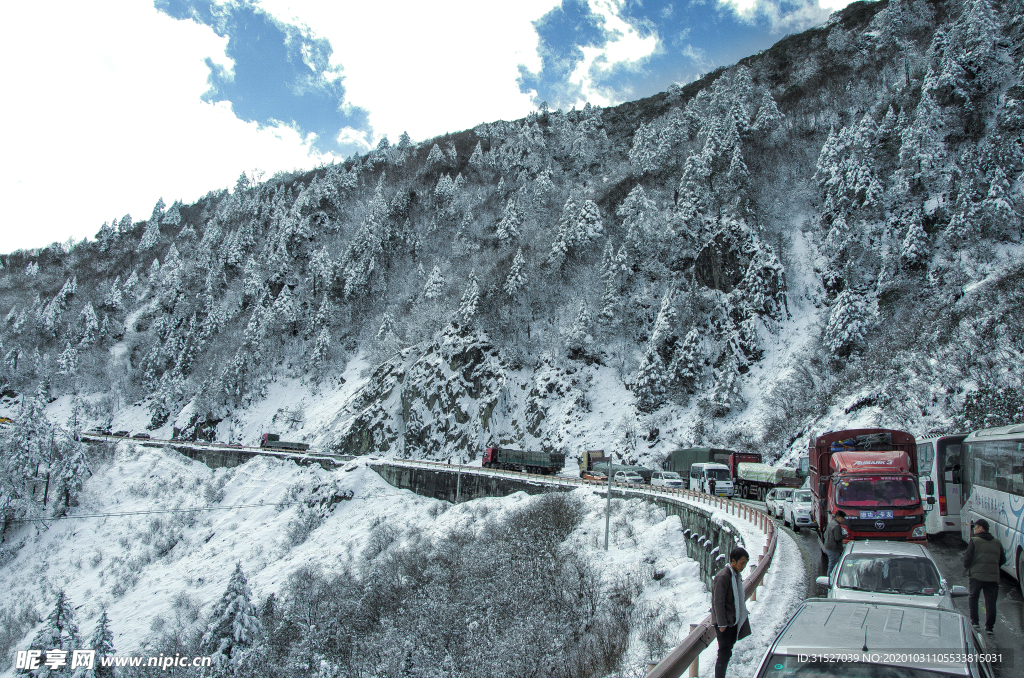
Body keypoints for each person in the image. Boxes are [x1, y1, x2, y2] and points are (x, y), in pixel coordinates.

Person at [711, 547, 751, 678]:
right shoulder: (723, 576)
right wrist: (722, 624)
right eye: (742, 562)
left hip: (732, 620)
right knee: (724, 653)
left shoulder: (735, 576)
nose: (744, 566)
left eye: (746, 563)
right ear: (733, 561)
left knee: (727, 652)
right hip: (725, 624)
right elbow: (718, 602)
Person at [963, 518, 1006, 635]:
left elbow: (968, 558)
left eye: (975, 527)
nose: (974, 529)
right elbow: (1002, 560)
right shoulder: (997, 542)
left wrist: (967, 568)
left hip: (976, 576)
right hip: (993, 577)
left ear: (981, 528)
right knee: (991, 602)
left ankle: (975, 622)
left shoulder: (975, 541)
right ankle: (989, 627)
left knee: (973, 597)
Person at [823, 510, 846, 577]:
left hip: (828, 547)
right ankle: (830, 579)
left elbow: (825, 535)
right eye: (842, 518)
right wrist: (844, 536)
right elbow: (837, 538)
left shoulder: (831, 523)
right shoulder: (837, 526)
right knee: (833, 565)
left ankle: (830, 577)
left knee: (831, 564)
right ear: (838, 517)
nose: (843, 520)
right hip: (833, 549)